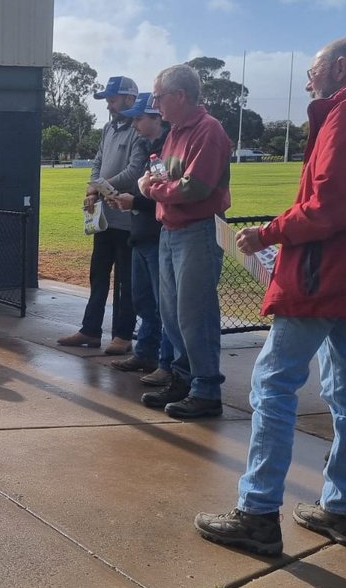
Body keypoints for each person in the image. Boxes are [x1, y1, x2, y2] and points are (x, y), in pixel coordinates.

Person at [195, 36, 346, 555]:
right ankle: (343, 508)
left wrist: (266, 234)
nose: (307, 82)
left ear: (340, 67)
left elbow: (329, 207)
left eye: (313, 71)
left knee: (274, 385)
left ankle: (257, 512)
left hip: (324, 276)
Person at [136, 65, 230, 419]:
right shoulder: (175, 132)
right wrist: (153, 183)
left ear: (180, 96)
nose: (155, 104)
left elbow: (196, 187)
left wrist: (151, 190)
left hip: (198, 230)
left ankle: (206, 390)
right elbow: (169, 176)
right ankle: (185, 378)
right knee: (173, 313)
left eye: (158, 97)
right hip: (172, 229)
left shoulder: (208, 130)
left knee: (195, 313)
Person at [57, 76, 147, 353]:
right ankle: (90, 330)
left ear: (130, 99)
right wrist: (93, 188)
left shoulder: (138, 131)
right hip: (104, 218)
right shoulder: (108, 128)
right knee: (98, 276)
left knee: (125, 281)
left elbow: (134, 171)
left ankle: (123, 335)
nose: (109, 105)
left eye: (113, 99)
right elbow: (97, 161)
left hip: (127, 219)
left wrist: (99, 186)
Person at [104, 92, 173, 382]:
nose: (134, 125)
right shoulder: (148, 148)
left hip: (158, 235)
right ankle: (145, 353)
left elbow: (165, 194)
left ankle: (166, 364)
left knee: (164, 305)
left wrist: (135, 201)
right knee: (143, 300)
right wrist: (130, 201)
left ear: (156, 118)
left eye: (139, 119)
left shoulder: (168, 148)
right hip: (140, 233)